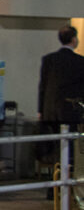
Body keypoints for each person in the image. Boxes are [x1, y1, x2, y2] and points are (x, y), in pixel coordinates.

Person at [37, 25, 84, 162]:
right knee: (70, 145)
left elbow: (42, 86)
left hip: (50, 110)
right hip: (71, 110)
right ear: (74, 40)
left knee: (55, 144)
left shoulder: (49, 59)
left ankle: (57, 173)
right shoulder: (80, 61)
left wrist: (41, 110)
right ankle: (67, 174)